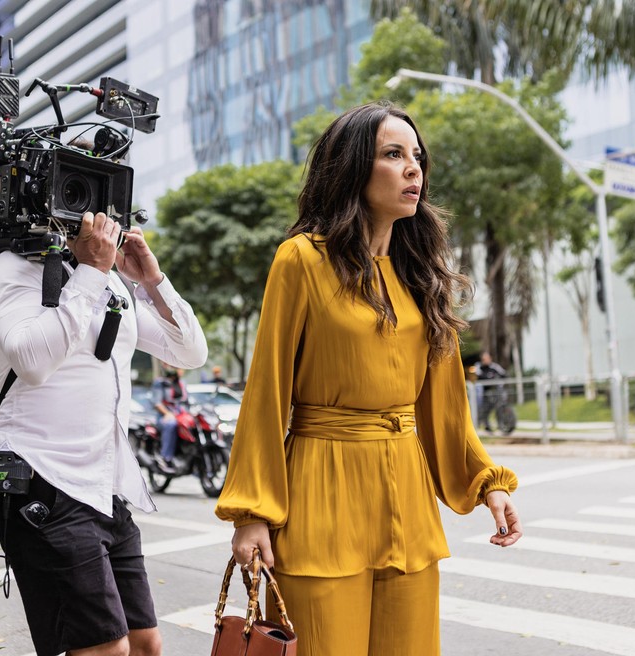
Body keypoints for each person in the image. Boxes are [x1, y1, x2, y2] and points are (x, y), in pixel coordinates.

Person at [215, 101, 521, 656]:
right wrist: (252, 513)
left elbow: (445, 407)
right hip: (320, 492)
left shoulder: (422, 275)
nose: (413, 169)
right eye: (393, 154)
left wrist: (486, 482)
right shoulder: (302, 260)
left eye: (417, 157)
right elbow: (266, 393)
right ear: (354, 168)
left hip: (406, 492)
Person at [0, 210, 207, 656]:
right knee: (105, 649)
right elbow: (31, 361)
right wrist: (93, 272)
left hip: (106, 487)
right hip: (45, 478)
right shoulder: (9, 269)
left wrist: (152, 282)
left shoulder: (108, 283)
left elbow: (190, 350)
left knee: (145, 644)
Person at [152, 364, 189, 473]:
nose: (181, 370)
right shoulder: (160, 383)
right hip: (165, 417)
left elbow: (187, 402)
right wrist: (167, 413)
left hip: (181, 415)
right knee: (171, 424)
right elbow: (157, 403)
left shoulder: (183, 383)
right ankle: (166, 457)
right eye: (178, 368)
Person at [474, 351, 507, 433]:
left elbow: (504, 374)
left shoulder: (495, 366)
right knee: (485, 409)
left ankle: (501, 425)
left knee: (499, 407)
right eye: (483, 359)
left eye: (486, 358)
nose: (484, 360)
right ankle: (485, 425)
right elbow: (480, 376)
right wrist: (490, 378)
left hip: (495, 392)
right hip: (484, 393)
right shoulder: (478, 366)